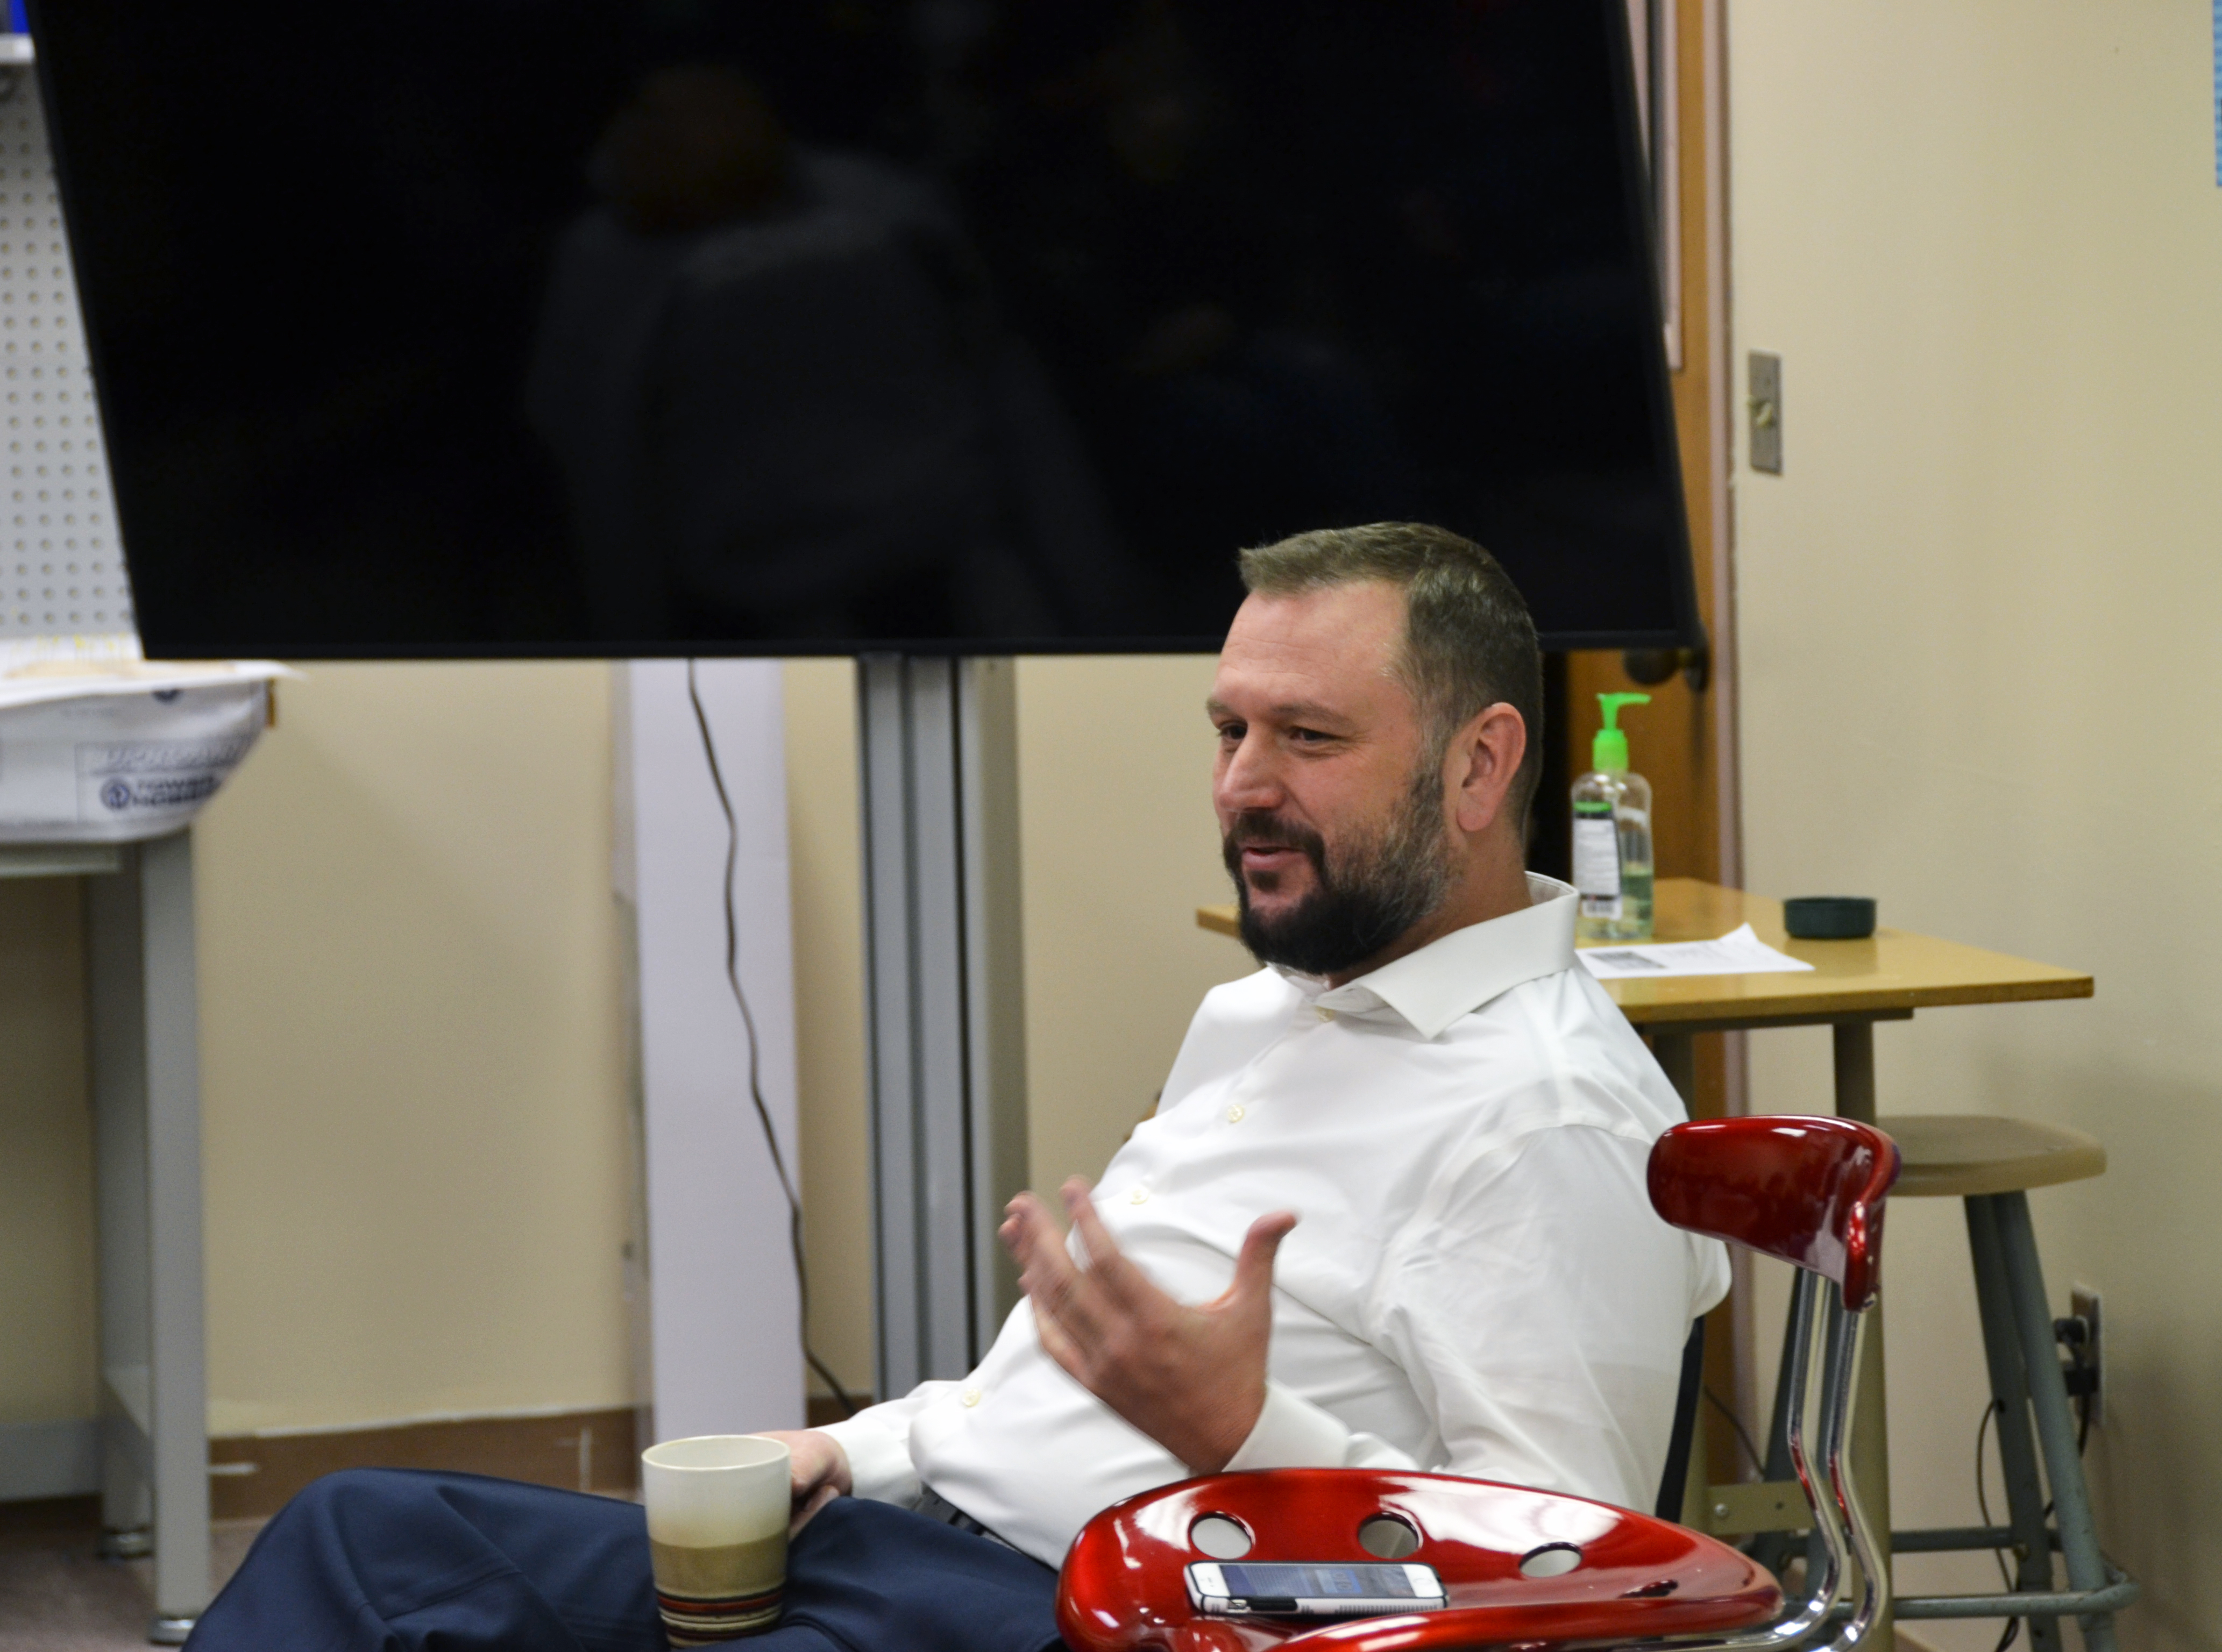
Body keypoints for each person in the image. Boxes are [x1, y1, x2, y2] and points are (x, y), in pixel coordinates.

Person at [188, 523, 1729, 1652]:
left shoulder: (1550, 1119)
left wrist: (1243, 1433)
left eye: (1307, 737)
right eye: (1229, 727)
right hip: (911, 1542)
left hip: (1098, 1617)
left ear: (1479, 768)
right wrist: (852, 1451)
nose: (1242, 784)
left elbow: (1571, 1589)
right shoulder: (1274, 1009)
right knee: (358, 1538)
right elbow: (1036, 1404)